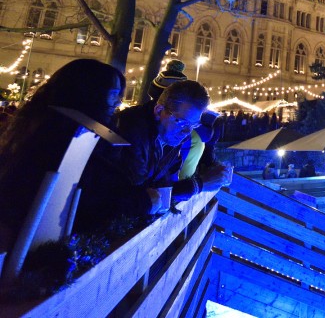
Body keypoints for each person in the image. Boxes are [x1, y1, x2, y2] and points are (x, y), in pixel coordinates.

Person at [0, 59, 124, 250]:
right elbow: (96, 197)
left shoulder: (39, 123)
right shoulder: (68, 135)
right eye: (114, 94)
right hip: (26, 243)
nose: (119, 102)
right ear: (89, 93)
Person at [76, 80, 231, 232]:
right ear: (159, 111)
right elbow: (140, 194)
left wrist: (204, 177)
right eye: (183, 123)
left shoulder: (169, 132)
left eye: (193, 125)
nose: (187, 132)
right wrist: (199, 185)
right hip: (94, 229)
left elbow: (162, 187)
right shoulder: (132, 132)